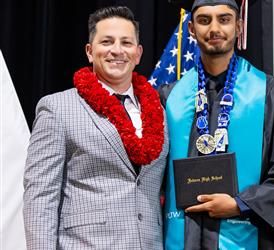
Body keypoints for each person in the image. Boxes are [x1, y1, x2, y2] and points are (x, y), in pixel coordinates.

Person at [159, 0, 274, 249]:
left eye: (224, 19)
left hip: (248, 235)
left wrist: (241, 205)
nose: (214, 28)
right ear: (190, 29)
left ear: (239, 27)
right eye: (204, 20)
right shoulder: (169, 97)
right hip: (182, 237)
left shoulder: (271, 93)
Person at [23, 6, 168, 250]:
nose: (117, 50)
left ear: (138, 53)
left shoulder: (159, 111)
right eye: (107, 41)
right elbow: (40, 197)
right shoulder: (57, 108)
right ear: (90, 52)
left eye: (126, 42)